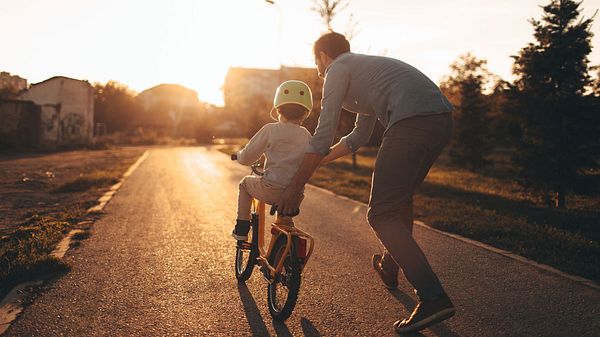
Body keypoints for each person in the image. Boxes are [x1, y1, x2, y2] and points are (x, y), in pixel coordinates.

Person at [275, 31, 455, 334]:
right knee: (398, 204)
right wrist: (316, 162)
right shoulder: (363, 72)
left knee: (380, 214)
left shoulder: (337, 69)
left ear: (322, 56)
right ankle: (390, 263)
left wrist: (295, 184)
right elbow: (357, 137)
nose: (317, 68)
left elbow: (323, 134)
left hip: (411, 122)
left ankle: (433, 296)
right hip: (440, 120)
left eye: (315, 60)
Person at [231, 80, 313, 241]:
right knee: (284, 222)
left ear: (278, 108)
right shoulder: (306, 135)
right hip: (295, 195)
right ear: (305, 113)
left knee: (245, 184)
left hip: (270, 189)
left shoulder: (270, 129)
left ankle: (241, 229)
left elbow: (248, 156)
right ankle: (282, 248)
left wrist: (239, 156)